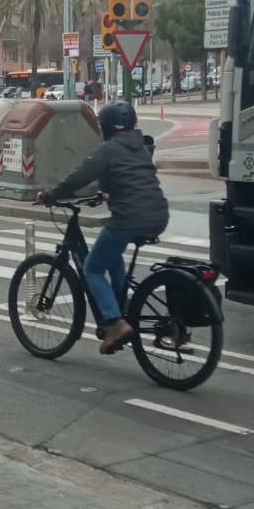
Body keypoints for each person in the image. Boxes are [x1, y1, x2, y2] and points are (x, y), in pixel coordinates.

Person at [35, 101, 169, 354]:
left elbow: (80, 176)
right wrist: (104, 192)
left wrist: (51, 194)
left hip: (130, 218)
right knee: (112, 253)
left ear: (105, 126)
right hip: (159, 215)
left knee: (93, 268)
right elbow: (129, 178)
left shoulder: (108, 149)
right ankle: (123, 306)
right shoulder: (140, 147)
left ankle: (114, 323)